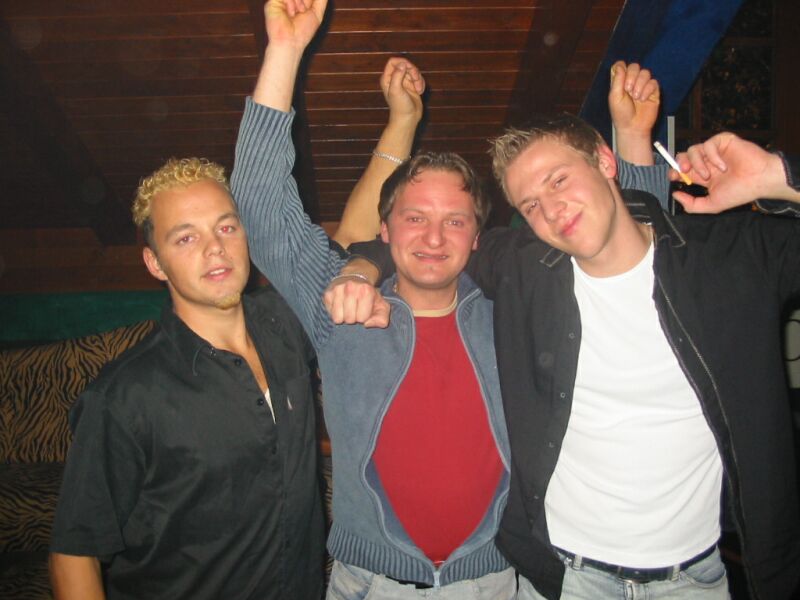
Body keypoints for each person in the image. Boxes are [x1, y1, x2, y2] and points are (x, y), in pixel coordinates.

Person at [334, 111, 800, 597]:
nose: (552, 210)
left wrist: (779, 177)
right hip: (566, 578)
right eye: (531, 204)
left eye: (558, 180)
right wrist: (361, 269)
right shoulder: (525, 268)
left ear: (605, 161)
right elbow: (429, 244)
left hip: (694, 580)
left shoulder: (731, 257)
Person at [230, 1, 518, 597]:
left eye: (455, 221)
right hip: (370, 582)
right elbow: (259, 205)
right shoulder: (342, 303)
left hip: (492, 580)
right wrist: (284, 50)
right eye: (414, 218)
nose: (433, 238)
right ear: (383, 230)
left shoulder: (512, 311)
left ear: (478, 237)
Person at [47, 156, 328, 599]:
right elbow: (73, 555)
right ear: (155, 263)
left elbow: (349, 239)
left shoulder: (285, 325)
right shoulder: (123, 397)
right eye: (186, 237)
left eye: (226, 227)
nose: (215, 248)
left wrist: (400, 124)